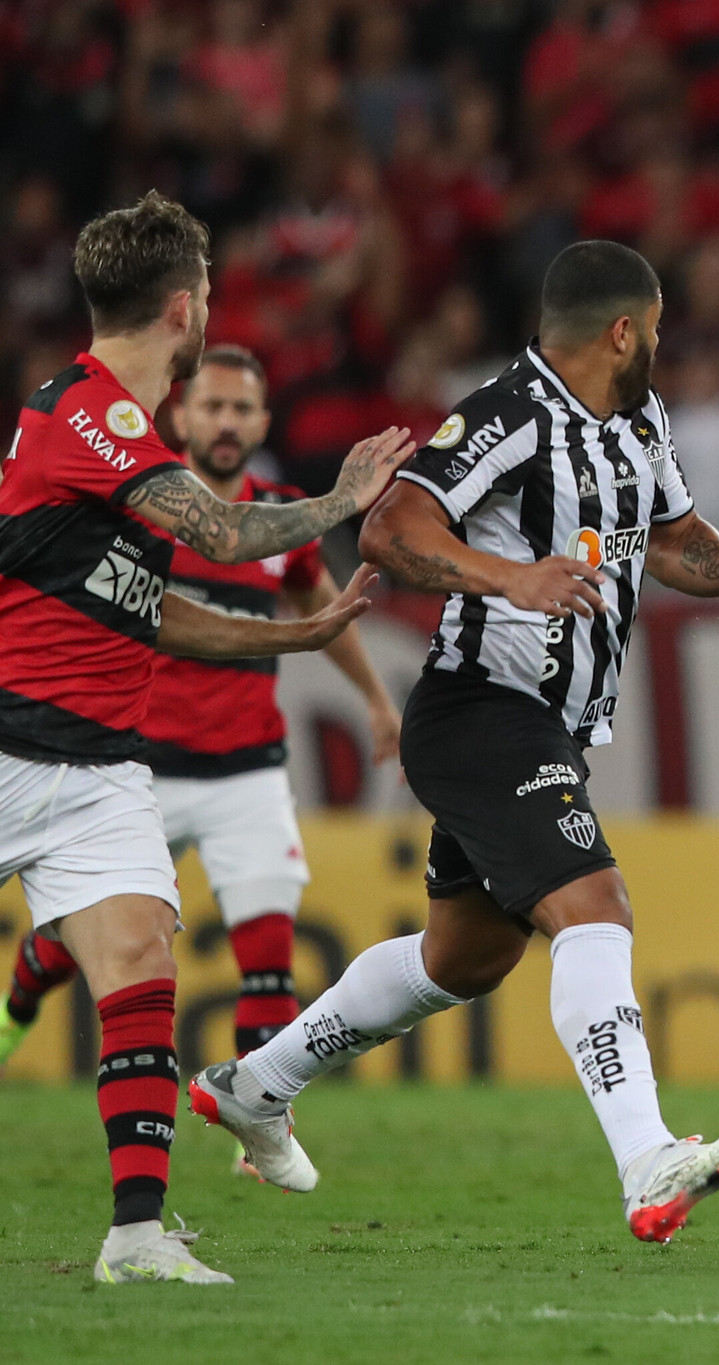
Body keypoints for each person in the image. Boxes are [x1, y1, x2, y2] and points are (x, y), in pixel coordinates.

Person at [190, 240, 719, 1245]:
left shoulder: (639, 419)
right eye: (657, 329)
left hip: (550, 726)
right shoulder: (508, 416)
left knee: (466, 956)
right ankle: (646, 1159)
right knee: (595, 905)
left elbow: (675, 546)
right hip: (476, 708)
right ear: (622, 329)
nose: (661, 346)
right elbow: (388, 532)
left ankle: (255, 1085)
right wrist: (511, 578)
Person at [0, 190, 414, 1284]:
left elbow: (146, 607)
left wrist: (288, 637)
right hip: (5, 748)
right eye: (211, 298)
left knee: (140, 967)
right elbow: (228, 532)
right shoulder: (91, 416)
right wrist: (343, 497)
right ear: (184, 310)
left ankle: (136, 1237)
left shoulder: (119, 438)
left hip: (96, 769)